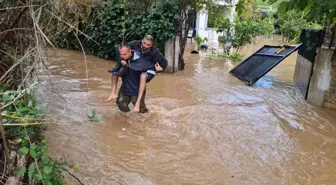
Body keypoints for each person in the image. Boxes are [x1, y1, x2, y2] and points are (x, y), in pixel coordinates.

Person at [105, 35, 167, 112]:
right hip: (132, 70)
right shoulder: (135, 44)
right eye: (144, 43)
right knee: (121, 102)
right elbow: (120, 48)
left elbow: (164, 64)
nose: (145, 46)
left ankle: (143, 112)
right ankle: (126, 117)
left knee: (139, 106)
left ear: (152, 45)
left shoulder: (155, 52)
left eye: (148, 45)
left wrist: (157, 70)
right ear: (142, 41)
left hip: (144, 72)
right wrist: (120, 62)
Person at [115, 44, 154, 113]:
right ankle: (126, 117)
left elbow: (149, 72)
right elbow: (117, 73)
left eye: (124, 54)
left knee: (140, 109)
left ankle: (145, 115)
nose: (122, 56)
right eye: (121, 54)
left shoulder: (141, 59)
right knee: (120, 103)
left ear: (130, 51)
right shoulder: (122, 59)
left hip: (137, 86)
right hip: (126, 85)